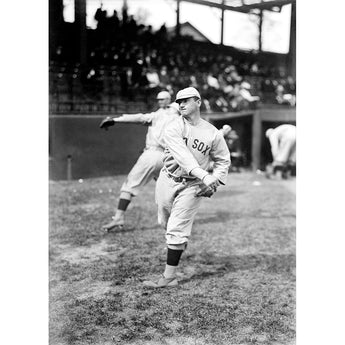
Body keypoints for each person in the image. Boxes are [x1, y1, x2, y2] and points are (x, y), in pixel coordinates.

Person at [143, 87, 230, 288]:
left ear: (198, 102)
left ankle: (169, 276)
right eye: (178, 101)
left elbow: (223, 160)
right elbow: (184, 157)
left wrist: (214, 180)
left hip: (193, 186)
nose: (180, 104)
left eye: (186, 100)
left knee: (176, 229)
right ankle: (178, 243)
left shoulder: (212, 133)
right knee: (164, 221)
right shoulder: (173, 126)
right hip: (168, 178)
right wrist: (205, 176)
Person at [99, 91, 180, 231]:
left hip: (152, 154)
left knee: (129, 186)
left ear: (167, 101)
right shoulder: (180, 118)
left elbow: (138, 117)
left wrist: (115, 120)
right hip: (167, 157)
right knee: (167, 191)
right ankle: (173, 221)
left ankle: (118, 217)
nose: (160, 102)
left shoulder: (157, 115)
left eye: (162, 100)